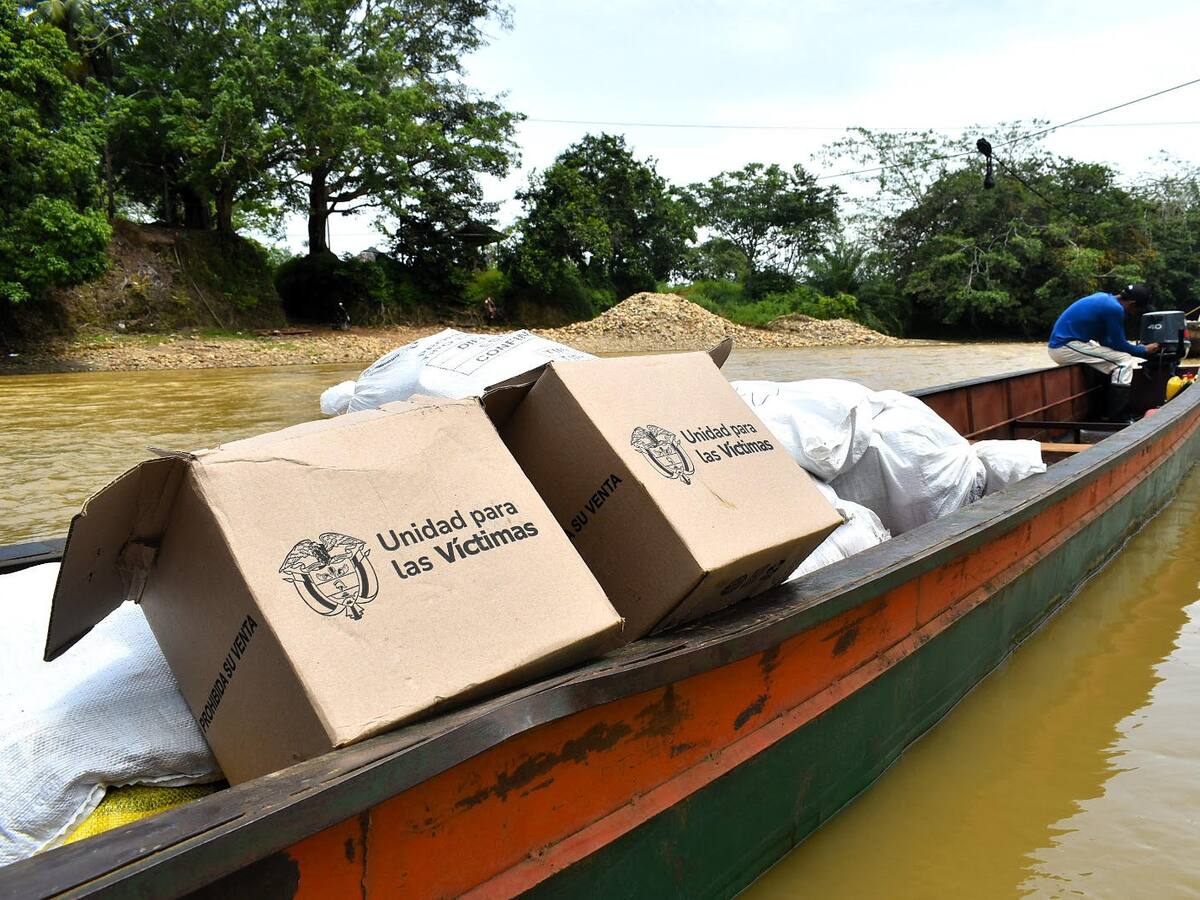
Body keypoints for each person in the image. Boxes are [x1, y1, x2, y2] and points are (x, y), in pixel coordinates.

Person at [1047, 283, 1159, 421]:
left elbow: (1107, 342)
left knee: (1115, 357)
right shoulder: (1114, 309)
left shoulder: (1105, 299)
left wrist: (1138, 349)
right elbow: (1119, 344)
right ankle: (1117, 416)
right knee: (1124, 361)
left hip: (1072, 344)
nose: (1136, 313)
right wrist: (1144, 350)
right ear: (1132, 304)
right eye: (1139, 309)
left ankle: (1103, 411)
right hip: (1063, 346)